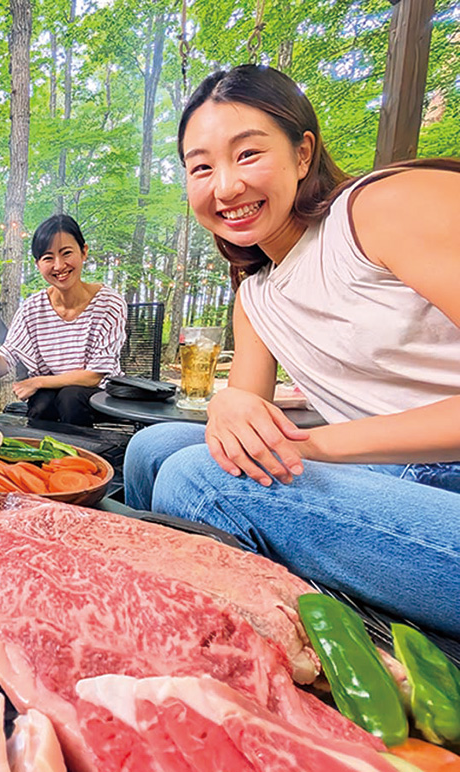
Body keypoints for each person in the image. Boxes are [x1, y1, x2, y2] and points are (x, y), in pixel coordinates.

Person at [123, 64, 460, 636]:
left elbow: (262, 452)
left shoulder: (381, 207)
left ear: (304, 153)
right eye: (201, 167)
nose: (225, 187)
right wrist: (229, 407)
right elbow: (243, 418)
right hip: (388, 476)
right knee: (152, 447)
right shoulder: (256, 293)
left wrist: (316, 446)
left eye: (247, 154)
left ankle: (243, 649)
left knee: (195, 479)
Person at [0, 214, 127, 426]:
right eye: (48, 258)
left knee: (69, 398)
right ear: (38, 264)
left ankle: (84, 457)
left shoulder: (109, 303)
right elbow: (2, 367)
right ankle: (43, 457)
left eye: (66, 253)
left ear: (84, 252)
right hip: (50, 394)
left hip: (98, 395)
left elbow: (94, 376)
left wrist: (39, 381)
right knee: (42, 403)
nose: (59, 266)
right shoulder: (32, 308)